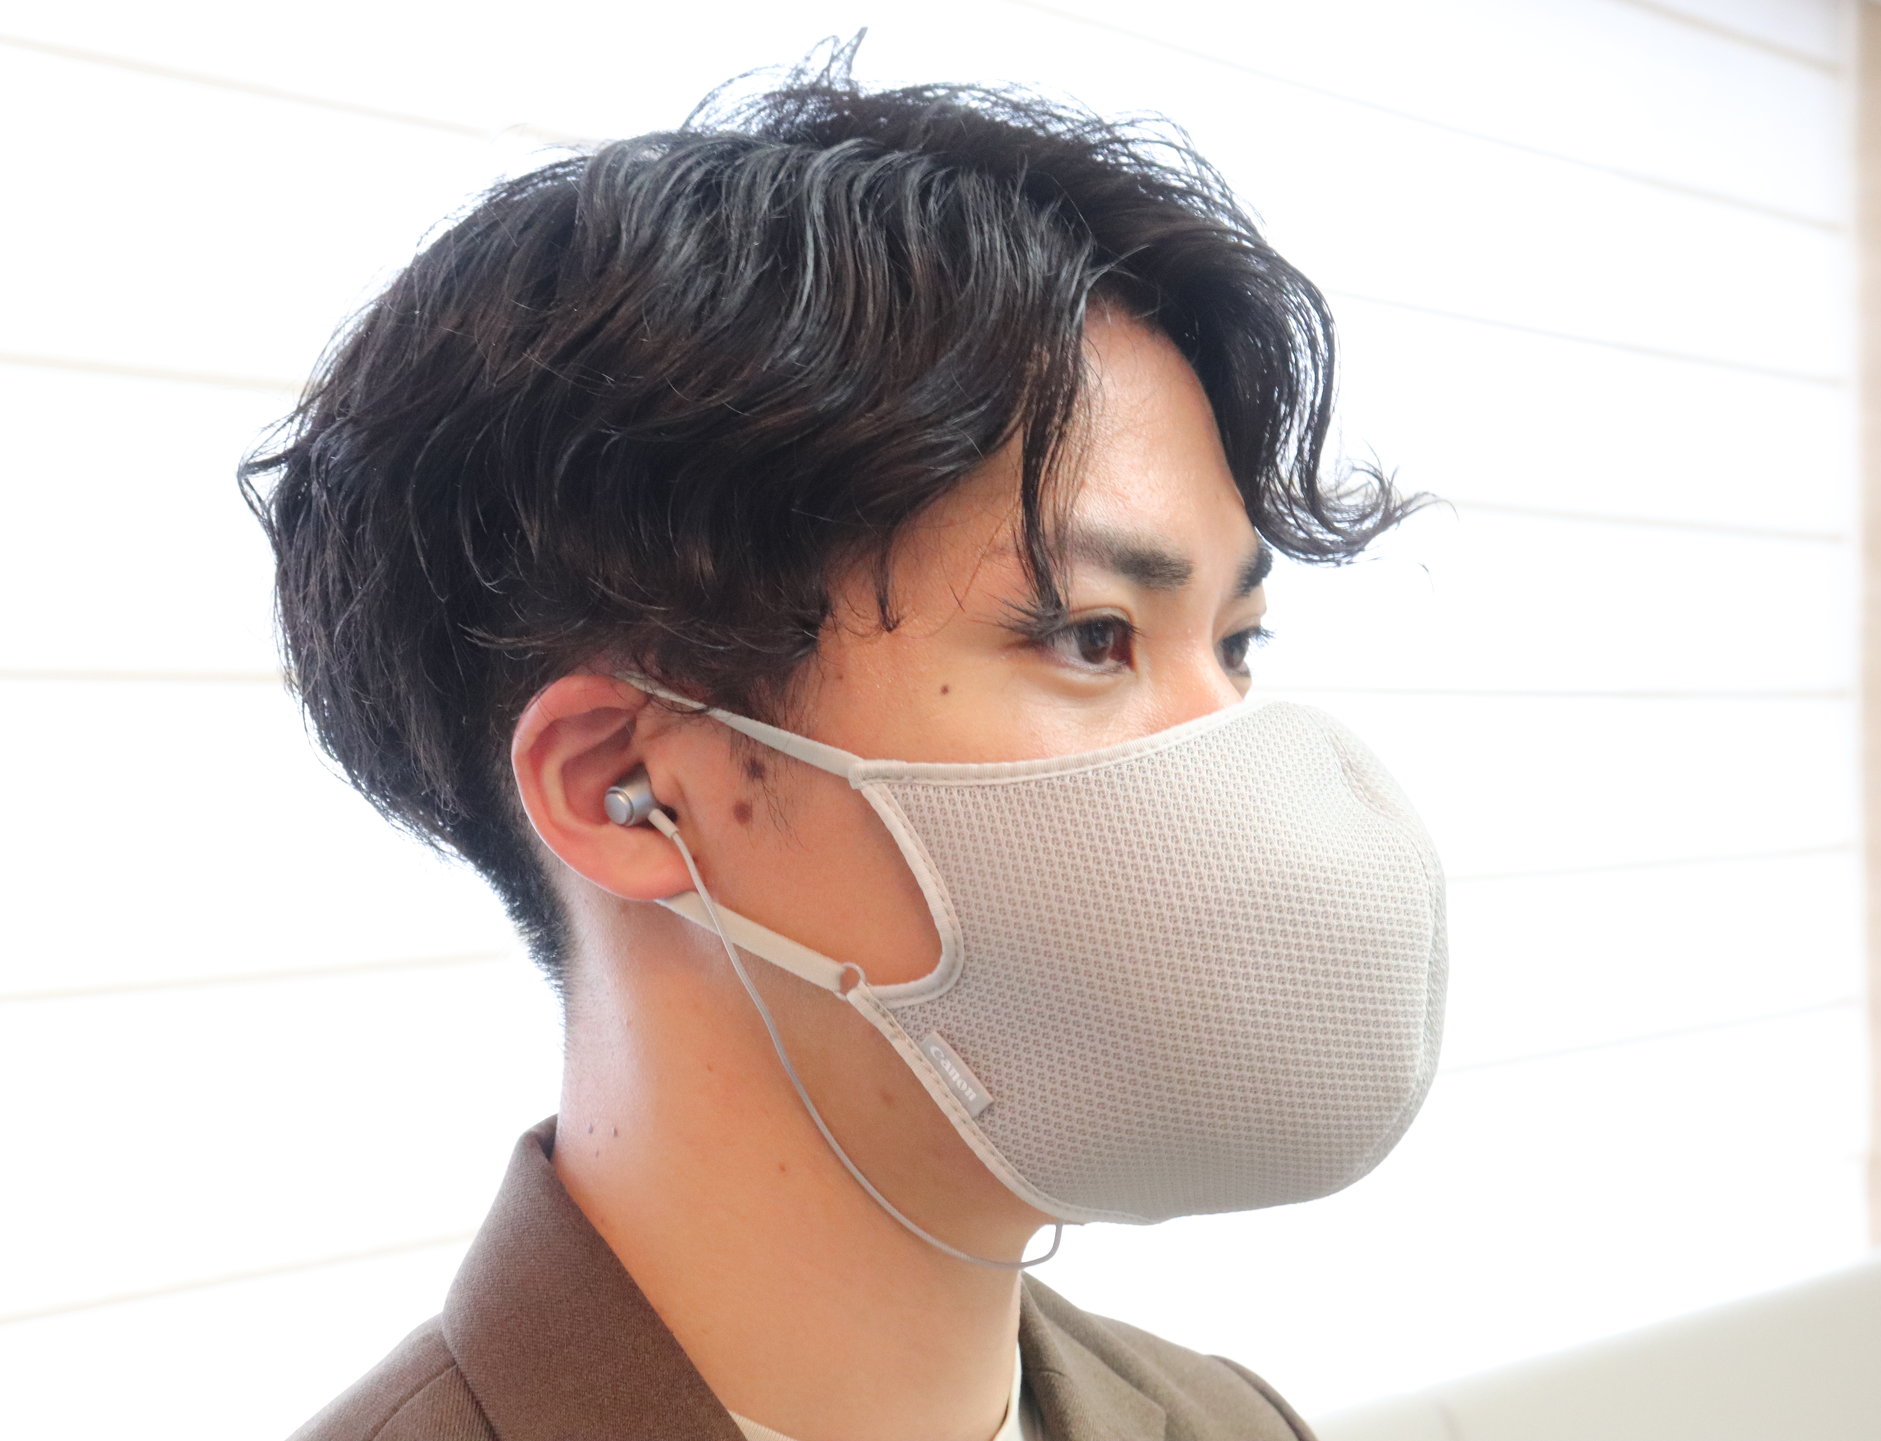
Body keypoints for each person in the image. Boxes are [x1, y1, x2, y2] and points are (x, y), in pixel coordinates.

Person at [246, 44, 1446, 1441]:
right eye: (1094, 636)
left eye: (1238, 647)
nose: (1239, 768)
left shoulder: (1229, 1422)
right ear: (625, 786)